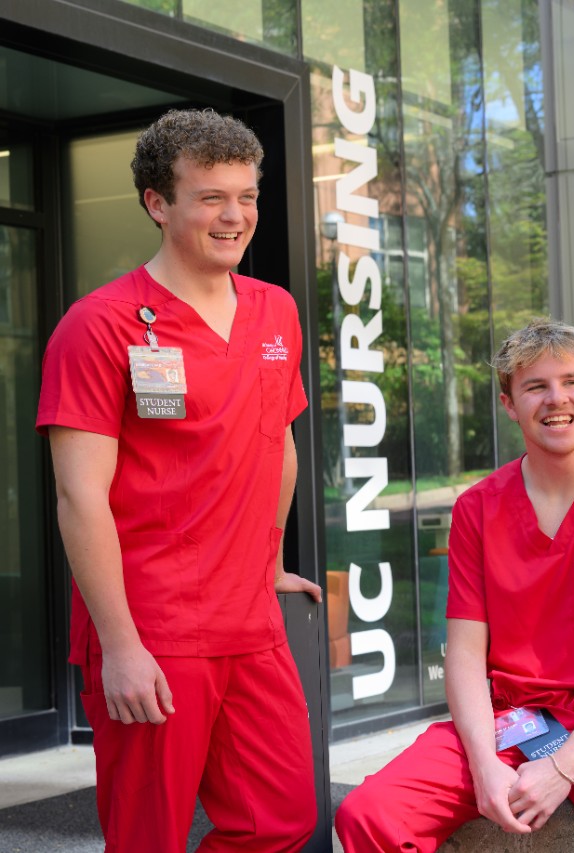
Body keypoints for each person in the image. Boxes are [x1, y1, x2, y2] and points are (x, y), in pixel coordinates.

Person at [36, 108, 321, 852]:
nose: (235, 217)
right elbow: (79, 496)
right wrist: (121, 642)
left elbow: (277, 446)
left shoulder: (276, 312)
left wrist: (271, 562)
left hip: (250, 625)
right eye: (211, 197)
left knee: (281, 819)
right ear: (157, 203)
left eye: (247, 197)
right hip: (153, 628)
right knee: (147, 836)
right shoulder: (100, 326)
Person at [335, 318, 574, 852]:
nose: (558, 399)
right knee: (370, 813)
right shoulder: (478, 508)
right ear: (509, 403)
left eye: (572, 382)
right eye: (536, 386)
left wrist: (563, 766)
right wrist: (484, 767)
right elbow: (463, 656)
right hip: (514, 717)